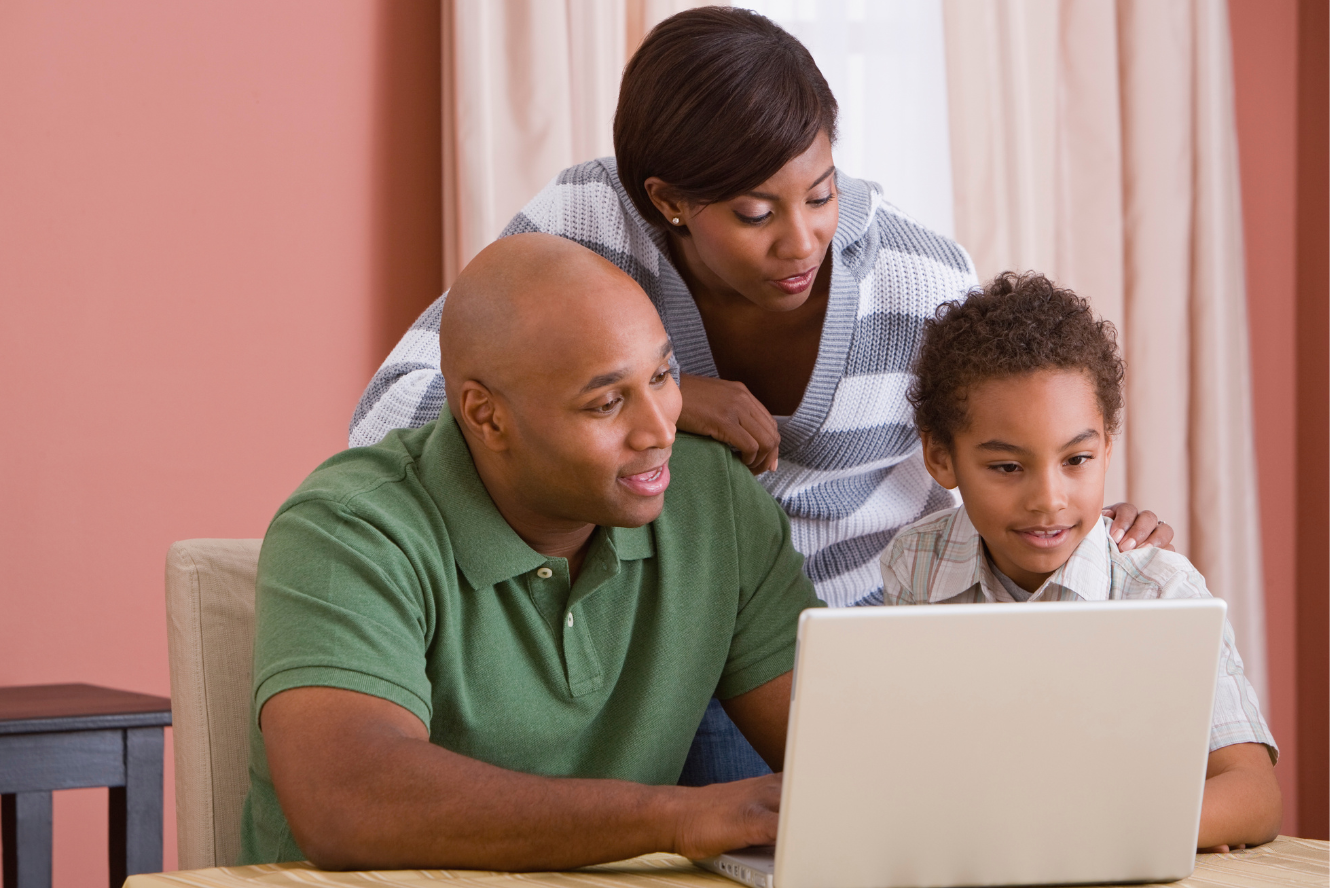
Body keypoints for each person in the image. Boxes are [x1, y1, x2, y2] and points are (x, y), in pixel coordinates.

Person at [350, 7, 1172, 785]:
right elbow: (395, 414)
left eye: (821, 194)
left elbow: (1004, 452)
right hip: (662, 640)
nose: (801, 238)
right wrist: (672, 398)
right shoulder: (589, 227)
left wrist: (1082, 525)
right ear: (667, 201)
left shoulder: (916, 284)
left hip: (851, 650)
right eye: (753, 213)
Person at [239, 234, 823, 869]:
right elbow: (347, 802)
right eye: (606, 403)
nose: (660, 430)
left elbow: (836, 751)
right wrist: (678, 816)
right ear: (487, 417)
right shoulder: (348, 528)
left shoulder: (716, 502)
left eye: (662, 376)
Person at [877, 271, 1282, 852]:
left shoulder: (1160, 591)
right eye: (1007, 467)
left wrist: (1079, 831)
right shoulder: (914, 564)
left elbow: (1254, 796)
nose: (1049, 498)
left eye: (1077, 458)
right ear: (941, 458)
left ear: (1108, 449)